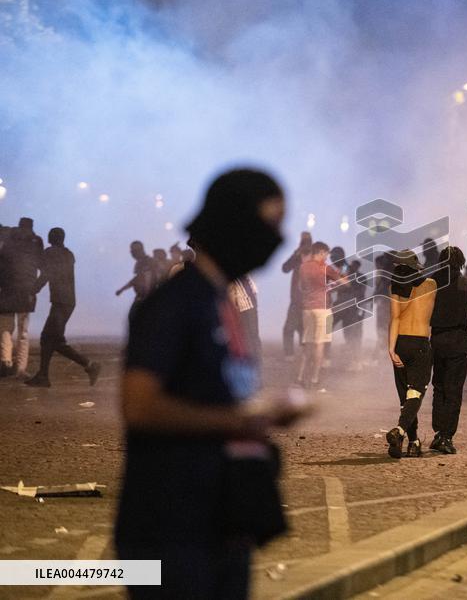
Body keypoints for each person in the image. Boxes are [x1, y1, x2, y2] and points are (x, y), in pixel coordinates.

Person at [115, 168, 310, 599]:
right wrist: (241, 419)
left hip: (222, 518)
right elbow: (140, 406)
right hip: (171, 528)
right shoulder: (174, 304)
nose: (274, 239)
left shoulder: (223, 301)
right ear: (232, 223)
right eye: (268, 225)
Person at [25, 228, 101, 387]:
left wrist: (33, 290)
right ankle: (45, 375)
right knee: (54, 339)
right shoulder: (69, 254)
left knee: (48, 338)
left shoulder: (51, 252)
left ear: (51, 238)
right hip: (68, 301)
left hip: (60, 301)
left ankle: (87, 366)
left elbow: (46, 273)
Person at [429, 246, 467, 454]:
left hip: (437, 340)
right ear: (461, 262)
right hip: (459, 341)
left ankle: (438, 432)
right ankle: (446, 436)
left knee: (439, 386)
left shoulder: (431, 283)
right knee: (454, 390)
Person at [385, 249, 437, 458]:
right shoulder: (431, 285)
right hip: (420, 343)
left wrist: (391, 348)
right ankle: (399, 430)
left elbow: (395, 319)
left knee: (405, 397)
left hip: (401, 343)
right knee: (415, 393)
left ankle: (413, 442)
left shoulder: (393, 287)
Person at [0, 217, 42, 379]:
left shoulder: (8, 240)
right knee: (23, 331)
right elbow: (41, 264)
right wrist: (35, 287)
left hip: (7, 289)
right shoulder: (35, 241)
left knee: (5, 328)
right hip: (27, 291)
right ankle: (21, 367)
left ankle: (6, 362)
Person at [296, 242, 340, 388]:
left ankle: (301, 376)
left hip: (307, 308)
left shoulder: (303, 267)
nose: (327, 256)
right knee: (320, 344)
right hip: (324, 309)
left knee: (307, 343)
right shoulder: (325, 267)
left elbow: (302, 286)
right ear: (321, 252)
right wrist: (331, 286)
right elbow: (342, 281)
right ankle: (315, 378)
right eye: (326, 253)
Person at [280, 232, 312, 361]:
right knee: (289, 328)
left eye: (306, 241)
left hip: (310, 301)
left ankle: (308, 355)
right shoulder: (297, 257)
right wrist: (296, 255)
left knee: (306, 330)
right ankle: (289, 355)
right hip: (296, 300)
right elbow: (285, 268)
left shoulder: (315, 256)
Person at [115, 241, 157, 321]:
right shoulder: (139, 263)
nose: (132, 253)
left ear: (141, 250)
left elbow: (149, 277)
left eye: (134, 251)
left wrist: (147, 297)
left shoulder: (148, 261)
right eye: (132, 251)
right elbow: (135, 280)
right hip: (142, 297)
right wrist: (122, 289)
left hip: (148, 298)